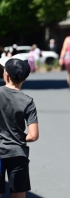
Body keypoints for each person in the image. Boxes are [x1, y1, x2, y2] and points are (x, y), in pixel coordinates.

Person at [0, 56, 39, 198]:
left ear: (7, 75)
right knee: (18, 193)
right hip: (18, 153)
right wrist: (17, 137)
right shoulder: (27, 102)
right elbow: (33, 135)